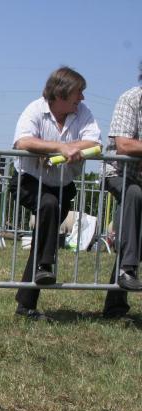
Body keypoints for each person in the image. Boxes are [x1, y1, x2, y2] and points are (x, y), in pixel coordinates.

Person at [11, 66, 101, 321]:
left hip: (62, 186)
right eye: (78, 92)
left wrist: (65, 149)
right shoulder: (34, 109)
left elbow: (95, 142)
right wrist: (60, 147)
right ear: (61, 93)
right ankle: (46, 265)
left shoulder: (83, 113)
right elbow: (23, 142)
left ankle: (26, 305)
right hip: (28, 182)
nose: (81, 98)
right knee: (48, 205)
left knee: (43, 234)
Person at [103, 63, 142, 319]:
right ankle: (128, 268)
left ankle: (115, 305)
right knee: (135, 194)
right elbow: (124, 144)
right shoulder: (131, 99)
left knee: (135, 237)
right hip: (121, 174)